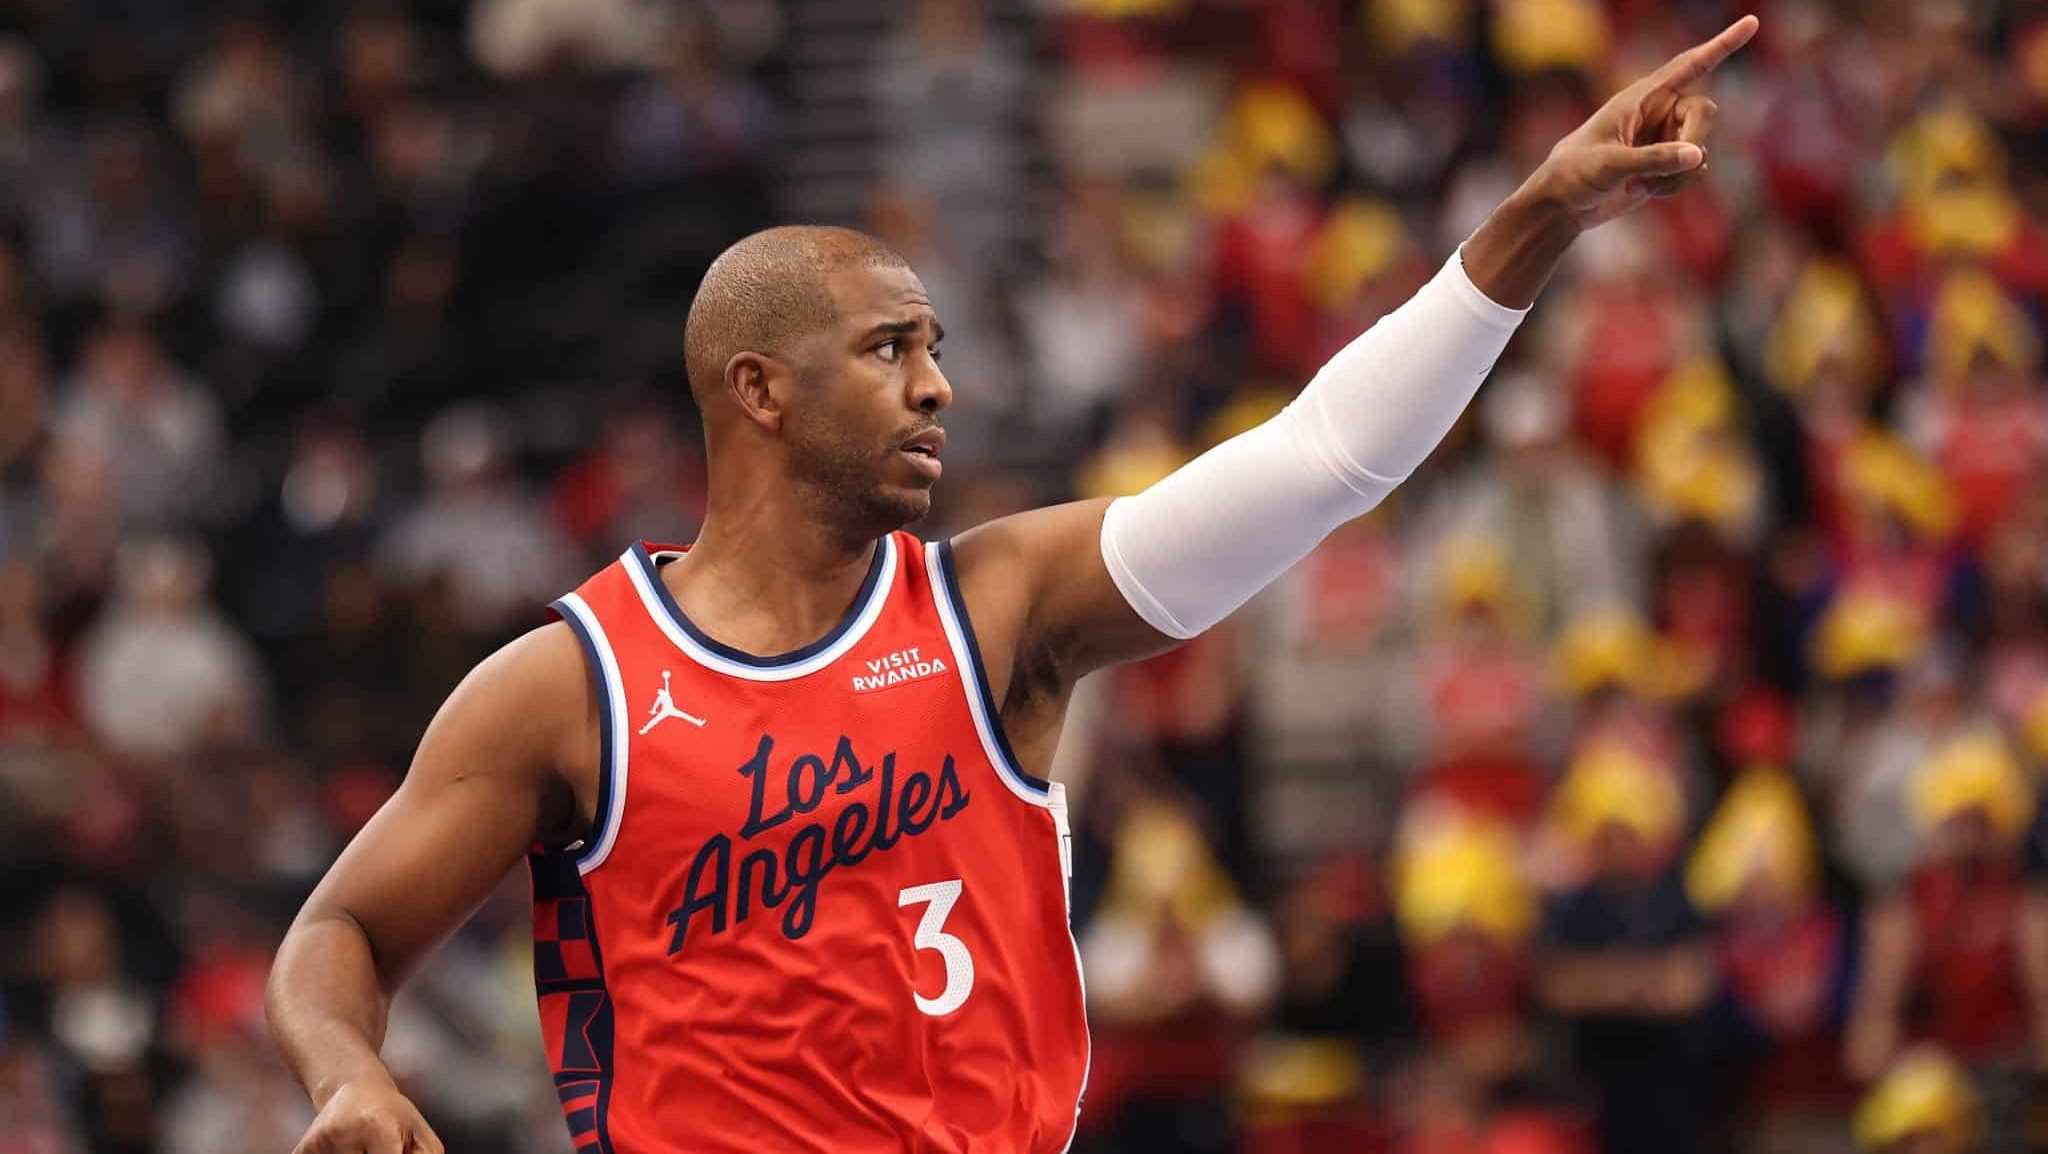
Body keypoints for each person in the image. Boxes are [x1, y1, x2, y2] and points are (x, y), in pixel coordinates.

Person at [266, 17, 1758, 1154]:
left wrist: (1540, 215)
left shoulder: (1001, 607)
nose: (940, 388)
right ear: (759, 390)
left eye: (937, 347)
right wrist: (351, 1072)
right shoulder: (570, 685)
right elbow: (335, 935)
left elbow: (1325, 457)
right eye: (892, 349)